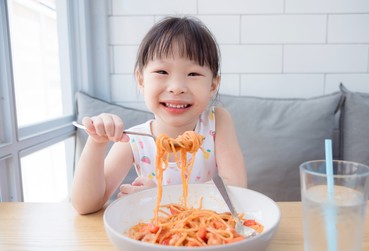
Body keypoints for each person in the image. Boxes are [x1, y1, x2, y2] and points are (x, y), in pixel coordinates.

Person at [71, 16, 247, 214]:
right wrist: (96, 142)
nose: (177, 88)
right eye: (162, 71)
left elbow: (235, 187)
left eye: (193, 74)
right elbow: (85, 205)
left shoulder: (218, 122)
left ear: (213, 85)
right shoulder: (134, 140)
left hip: (210, 235)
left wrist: (162, 197)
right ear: (141, 80)